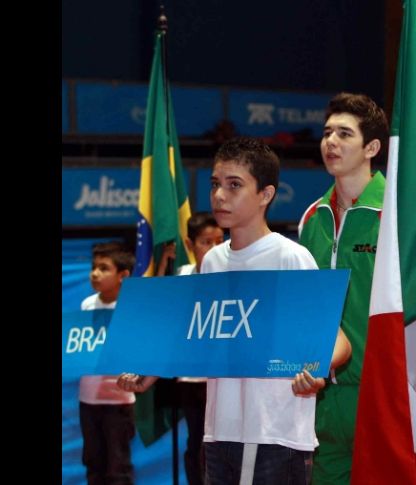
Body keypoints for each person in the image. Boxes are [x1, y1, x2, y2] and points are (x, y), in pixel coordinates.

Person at [120, 137, 351, 484]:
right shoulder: (212, 261)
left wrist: (315, 371)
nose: (219, 195)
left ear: (266, 195)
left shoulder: (289, 257)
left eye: (234, 185)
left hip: (274, 433)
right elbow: (197, 336)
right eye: (215, 184)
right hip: (220, 431)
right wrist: (149, 370)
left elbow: (338, 340)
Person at [297, 92, 388, 484]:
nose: (330, 142)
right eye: (327, 132)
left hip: (381, 395)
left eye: (344, 134)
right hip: (320, 396)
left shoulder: (396, 217)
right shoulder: (311, 218)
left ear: (371, 147)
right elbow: (305, 309)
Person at [135, 212, 225, 485]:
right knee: (196, 441)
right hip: (189, 378)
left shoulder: (233, 273)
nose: (214, 248)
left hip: (223, 376)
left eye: (220, 240)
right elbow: (162, 312)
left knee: (220, 444)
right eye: (206, 242)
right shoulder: (183, 276)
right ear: (190, 244)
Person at [79, 241, 137, 485]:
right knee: (93, 463)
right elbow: (80, 345)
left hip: (118, 399)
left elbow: (138, 350)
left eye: (104, 268)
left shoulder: (132, 308)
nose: (95, 273)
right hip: (89, 399)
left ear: (123, 275)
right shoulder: (87, 305)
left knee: (117, 466)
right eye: (94, 267)